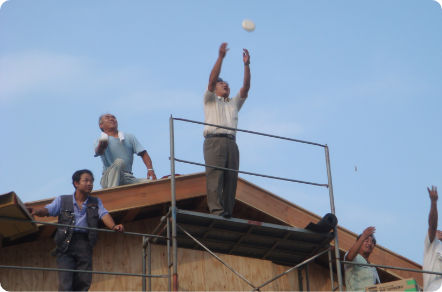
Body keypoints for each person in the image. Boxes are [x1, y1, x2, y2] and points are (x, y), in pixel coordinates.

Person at [26, 169, 124, 292]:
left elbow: (104, 215)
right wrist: (37, 211)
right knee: (66, 283)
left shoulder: (95, 202)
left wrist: (114, 226)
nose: (89, 184)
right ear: (76, 183)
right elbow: (48, 210)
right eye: (86, 180)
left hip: (85, 244)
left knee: (83, 282)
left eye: (91, 181)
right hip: (65, 244)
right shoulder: (63, 200)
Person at [203, 43, 251, 218]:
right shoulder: (210, 99)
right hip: (214, 140)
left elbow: (246, 88)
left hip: (231, 142)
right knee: (215, 177)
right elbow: (211, 80)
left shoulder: (233, 103)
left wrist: (246, 65)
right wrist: (221, 57)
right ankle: (216, 211)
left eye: (227, 84)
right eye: (221, 83)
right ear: (215, 88)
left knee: (231, 180)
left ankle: (228, 211)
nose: (225, 85)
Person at [94, 113, 157, 189]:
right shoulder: (100, 140)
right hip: (109, 178)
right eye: (107, 118)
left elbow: (143, 153)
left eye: (113, 117)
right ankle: (112, 193)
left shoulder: (129, 137)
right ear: (101, 125)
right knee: (119, 162)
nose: (111, 119)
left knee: (151, 184)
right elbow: (99, 151)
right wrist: (101, 146)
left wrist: (150, 169)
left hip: (127, 177)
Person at [344, 227, 380, 292]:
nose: (369, 243)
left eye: (372, 242)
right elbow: (349, 257)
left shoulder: (373, 268)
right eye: (366, 241)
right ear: (359, 244)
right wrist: (363, 236)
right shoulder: (354, 258)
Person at [424, 186, 442, 292]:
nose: (439, 231)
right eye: (437, 231)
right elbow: (432, 223)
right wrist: (434, 202)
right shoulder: (431, 245)